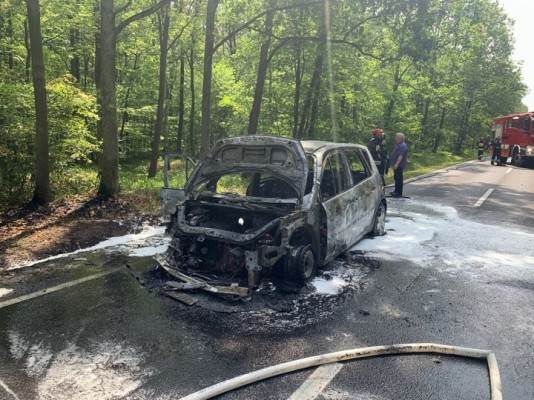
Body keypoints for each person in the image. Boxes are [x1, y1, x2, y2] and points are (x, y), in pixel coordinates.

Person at [389, 132, 408, 197]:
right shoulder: (398, 145)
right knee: (396, 178)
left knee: (399, 178)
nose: (395, 138)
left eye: (396, 137)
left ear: (400, 138)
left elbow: (400, 156)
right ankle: (396, 191)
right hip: (397, 165)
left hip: (399, 165)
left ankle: (398, 192)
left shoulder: (403, 146)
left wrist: (396, 164)